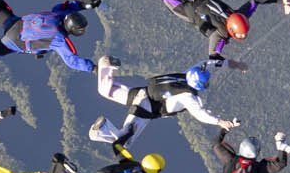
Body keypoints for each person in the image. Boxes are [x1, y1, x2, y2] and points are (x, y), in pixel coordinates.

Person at [91, 59, 237, 146]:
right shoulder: (188, 97)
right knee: (125, 142)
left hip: (142, 92)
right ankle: (100, 131)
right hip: (146, 108)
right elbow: (201, 114)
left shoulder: (185, 75)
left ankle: (105, 66)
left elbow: (205, 63)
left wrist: (229, 63)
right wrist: (220, 122)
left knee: (105, 90)